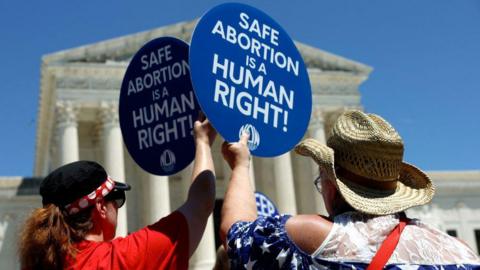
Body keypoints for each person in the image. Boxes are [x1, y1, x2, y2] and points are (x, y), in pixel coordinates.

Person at [220, 110, 480, 269]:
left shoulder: (320, 238)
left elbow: (236, 236)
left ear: (333, 188)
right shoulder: (460, 250)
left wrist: (241, 166)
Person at [19, 116, 217, 270]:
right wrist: (203, 142)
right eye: (117, 198)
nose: (119, 207)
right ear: (100, 207)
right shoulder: (124, 259)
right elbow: (201, 202)